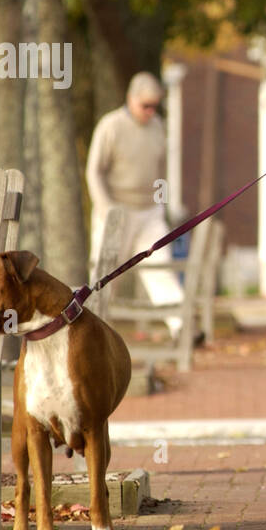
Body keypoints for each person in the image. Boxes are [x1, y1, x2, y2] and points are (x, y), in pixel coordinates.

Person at [86, 71, 185, 340]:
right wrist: (106, 208)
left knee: (160, 267)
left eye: (155, 106)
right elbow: (94, 171)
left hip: (149, 212)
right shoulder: (111, 126)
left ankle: (181, 327)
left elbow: (162, 169)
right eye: (145, 106)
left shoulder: (158, 127)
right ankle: (94, 330)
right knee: (106, 273)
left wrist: (162, 206)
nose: (150, 111)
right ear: (131, 99)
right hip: (116, 210)